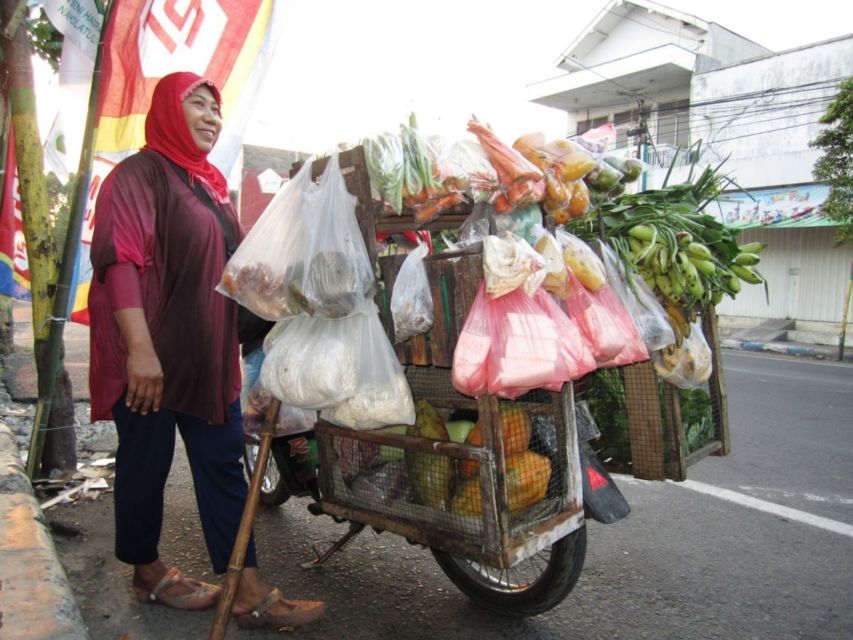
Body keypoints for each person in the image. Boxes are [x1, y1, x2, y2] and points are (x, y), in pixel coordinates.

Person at [87, 71, 325, 630]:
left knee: (223, 464)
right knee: (146, 465)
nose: (211, 118)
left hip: (203, 358)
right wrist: (140, 353)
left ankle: (245, 587)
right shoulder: (137, 176)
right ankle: (146, 571)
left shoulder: (210, 185)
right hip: (149, 357)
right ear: (169, 109)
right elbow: (119, 261)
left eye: (217, 110)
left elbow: (232, 269)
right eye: (198, 105)